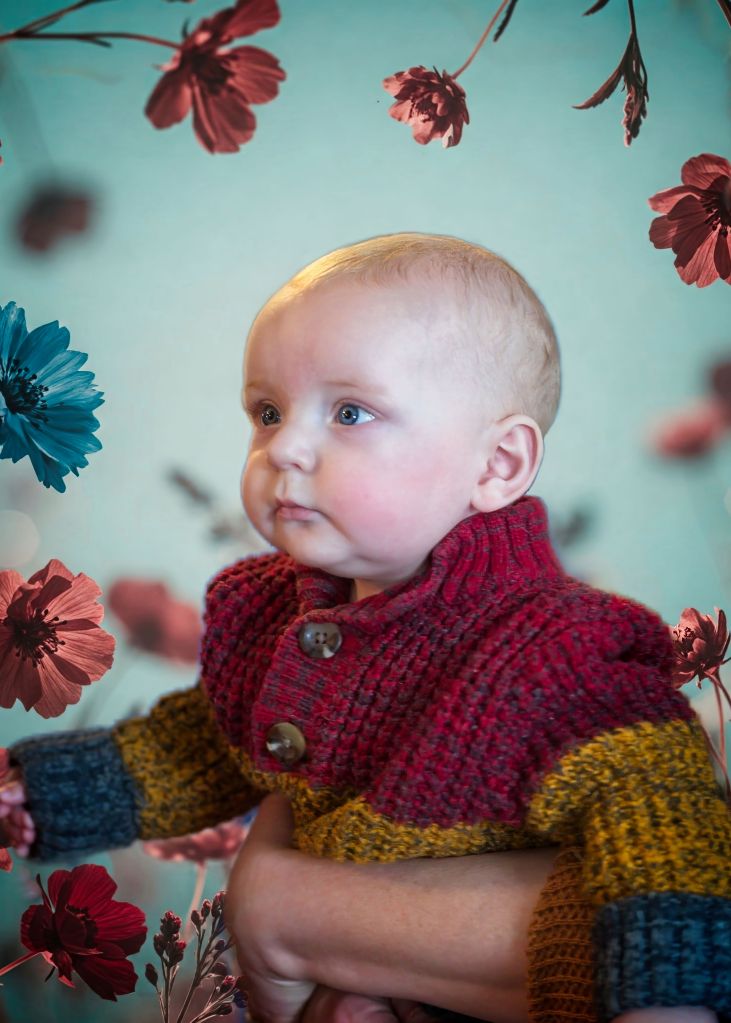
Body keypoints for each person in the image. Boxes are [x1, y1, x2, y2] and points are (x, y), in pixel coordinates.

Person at [2, 233, 730, 1023]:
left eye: (350, 412)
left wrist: (667, 996)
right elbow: (206, 743)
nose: (283, 446)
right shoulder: (283, 617)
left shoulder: (551, 647)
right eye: (267, 412)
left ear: (496, 465)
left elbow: (657, 808)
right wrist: (47, 791)